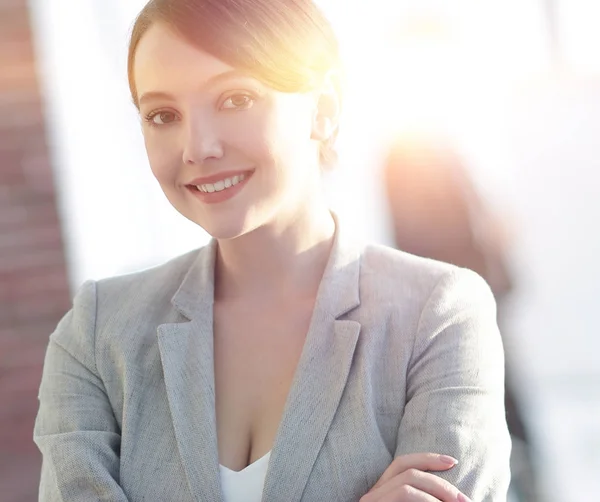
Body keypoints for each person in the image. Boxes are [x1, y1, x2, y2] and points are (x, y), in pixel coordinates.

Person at [33, 1, 511, 501]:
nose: (197, 147)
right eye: (162, 114)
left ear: (322, 109)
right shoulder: (97, 333)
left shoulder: (436, 314)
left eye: (235, 99)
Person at [382, 135, 541, 502]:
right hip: (454, 308)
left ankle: (532, 487)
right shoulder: (405, 156)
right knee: (489, 416)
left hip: (479, 300)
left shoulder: (441, 148)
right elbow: (416, 238)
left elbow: (477, 218)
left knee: (510, 415)